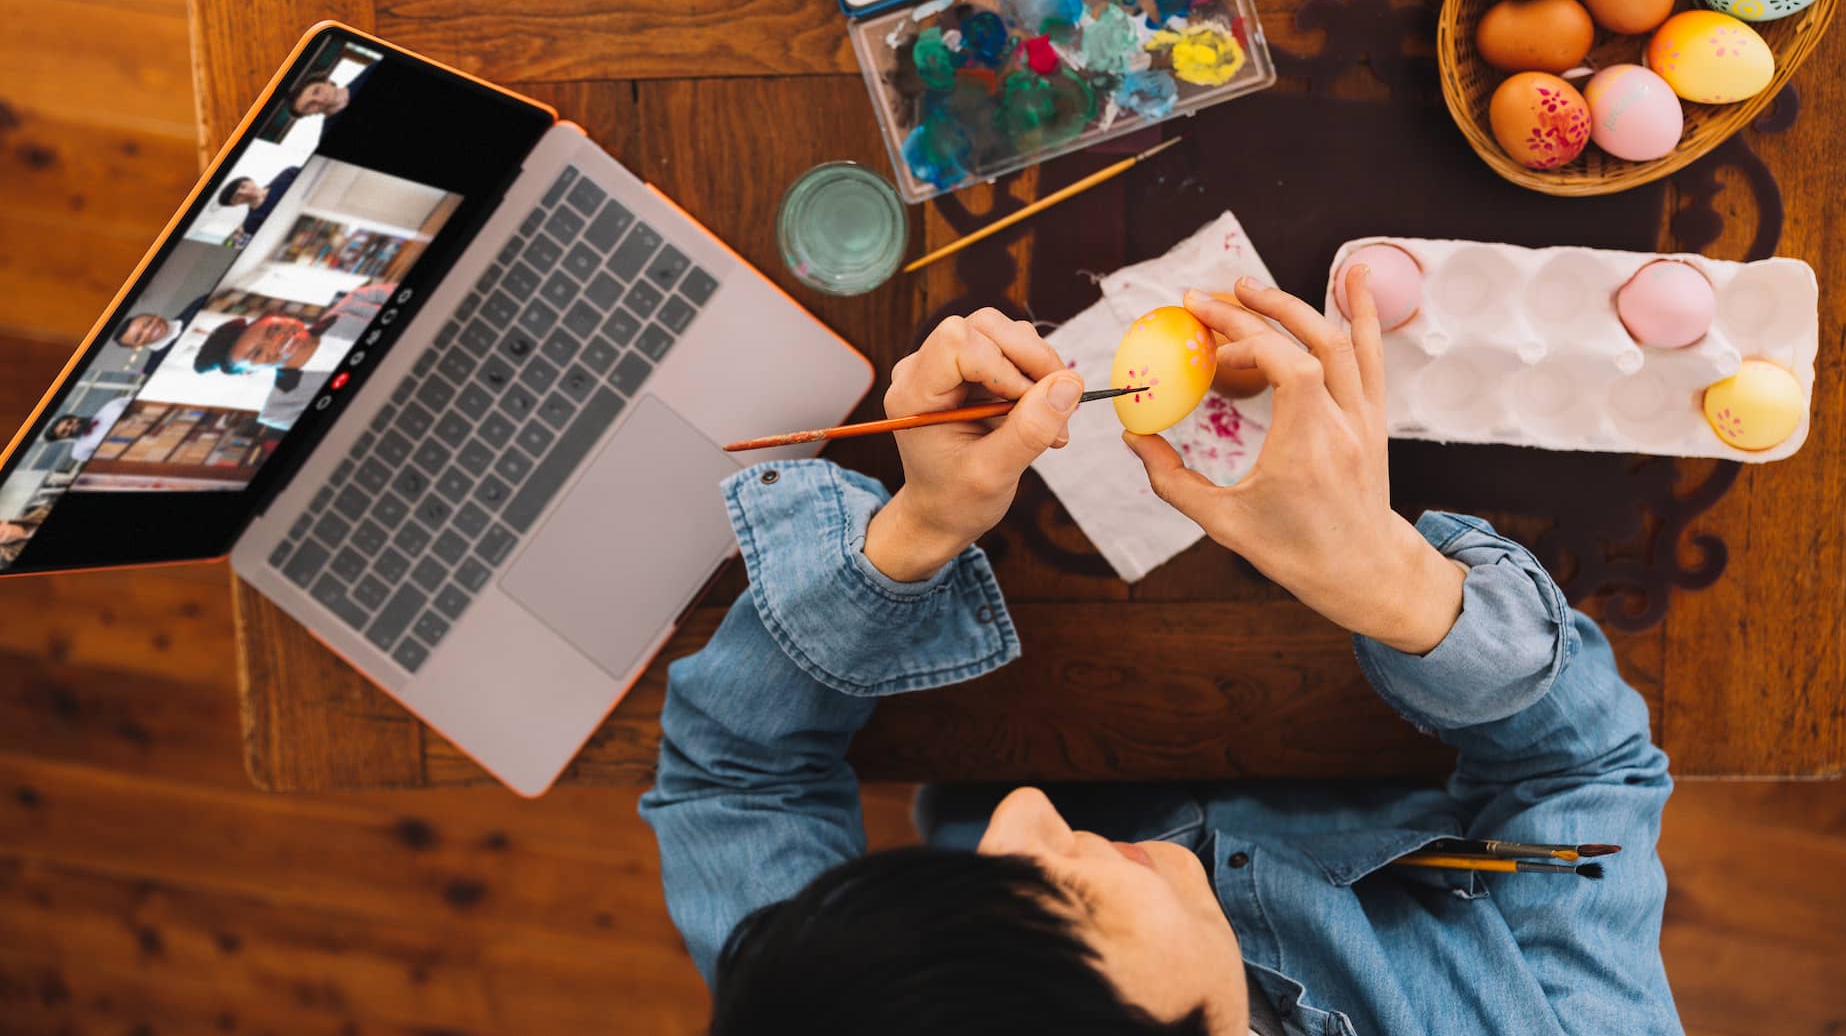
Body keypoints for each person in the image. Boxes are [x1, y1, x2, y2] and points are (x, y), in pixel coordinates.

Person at [639, 275, 1678, 1036]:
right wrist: (1395, 585)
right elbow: (1585, 779)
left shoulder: (833, 1012)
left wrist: (913, 534)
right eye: (1065, 898)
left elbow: (733, 780)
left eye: (972, 871)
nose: (1020, 812)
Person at [190, 282, 395, 430]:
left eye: (273, 329)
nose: (277, 340)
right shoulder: (283, 411)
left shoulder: (361, 300)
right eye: (258, 353)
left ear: (287, 317)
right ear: (249, 372)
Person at [217, 164, 298, 241]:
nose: (245, 193)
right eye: (237, 196)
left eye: (243, 186)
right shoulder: (251, 224)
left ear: (251, 180)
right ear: (234, 204)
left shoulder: (289, 175)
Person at [43, 395, 131, 462]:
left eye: (69, 422)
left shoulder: (111, 406)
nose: (70, 427)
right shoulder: (79, 451)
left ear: (75, 417)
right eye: (64, 431)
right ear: (63, 437)